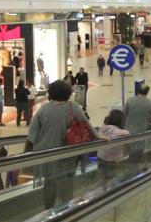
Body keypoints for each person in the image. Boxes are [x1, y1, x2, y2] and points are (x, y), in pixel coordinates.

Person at [25, 80, 103, 209]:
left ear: (51, 93)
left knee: (49, 182)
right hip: (67, 152)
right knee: (67, 182)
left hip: (46, 153)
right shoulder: (73, 108)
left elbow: (32, 135)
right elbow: (88, 127)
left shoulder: (43, 109)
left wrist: (26, 155)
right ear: (67, 93)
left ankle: (49, 212)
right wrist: (100, 137)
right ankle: (66, 211)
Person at [97, 110, 130, 180]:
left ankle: (103, 189)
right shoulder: (116, 130)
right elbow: (127, 133)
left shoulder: (103, 128)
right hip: (112, 159)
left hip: (101, 156)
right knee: (112, 179)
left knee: (102, 177)